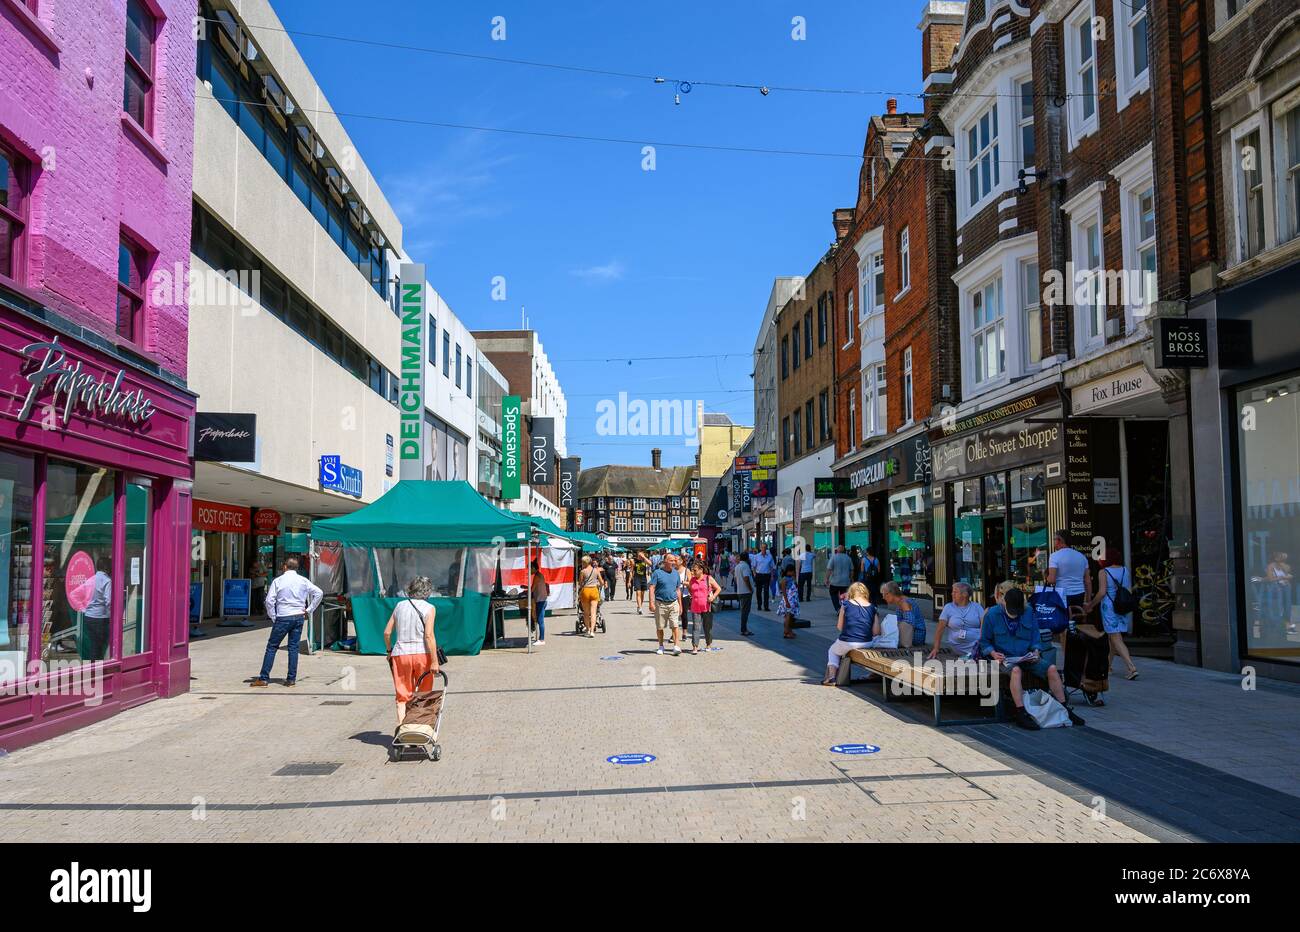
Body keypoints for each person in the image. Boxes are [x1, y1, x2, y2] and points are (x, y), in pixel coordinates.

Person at [978, 587, 1085, 730]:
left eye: (1017, 612)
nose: (1014, 615)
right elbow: (984, 642)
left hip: (1026, 656)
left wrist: (1036, 651)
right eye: (1011, 612)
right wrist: (993, 654)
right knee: (1016, 671)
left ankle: (1064, 708)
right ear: (1004, 602)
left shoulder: (1029, 612)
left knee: (1052, 669)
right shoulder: (992, 614)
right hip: (1004, 658)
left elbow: (1035, 637)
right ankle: (1021, 712)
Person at [251, 558, 323, 687]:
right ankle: (291, 679)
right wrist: (309, 610)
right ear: (297, 567)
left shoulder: (278, 581)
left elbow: (269, 601)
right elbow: (319, 593)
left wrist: (273, 616)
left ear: (285, 567)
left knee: (272, 647)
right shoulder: (303, 580)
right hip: (298, 616)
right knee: (293, 648)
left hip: (283, 616)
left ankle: (263, 678)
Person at [382, 575, 439, 730]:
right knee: (424, 693)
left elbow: (387, 633)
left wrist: (389, 650)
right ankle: (421, 729)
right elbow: (429, 636)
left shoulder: (399, 606)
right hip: (422, 655)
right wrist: (434, 661)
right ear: (428, 592)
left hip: (400, 654)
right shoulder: (429, 608)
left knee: (402, 696)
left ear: (410, 589)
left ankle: (402, 729)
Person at [1086, 547, 1138, 680]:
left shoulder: (1104, 572)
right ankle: (1108, 666)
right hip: (1122, 606)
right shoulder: (1125, 570)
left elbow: (1102, 592)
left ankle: (1131, 667)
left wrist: (1091, 605)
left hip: (1109, 608)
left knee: (1115, 638)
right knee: (1112, 637)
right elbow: (1128, 589)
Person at [822, 583, 877, 685]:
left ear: (851, 592)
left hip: (848, 642)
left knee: (832, 651)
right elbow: (876, 632)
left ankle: (832, 677)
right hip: (867, 643)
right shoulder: (873, 607)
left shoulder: (846, 605)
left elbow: (840, 627)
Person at [1046, 530, 1092, 621]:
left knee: (1061, 623)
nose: (1053, 542)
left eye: (1054, 539)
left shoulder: (1054, 556)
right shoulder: (1082, 557)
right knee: (1076, 622)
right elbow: (1087, 581)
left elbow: (1051, 580)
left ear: (1059, 540)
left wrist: (1046, 576)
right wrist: (1088, 601)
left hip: (1061, 594)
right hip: (1079, 594)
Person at [930, 581, 984, 660]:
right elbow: (940, 628)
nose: (952, 594)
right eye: (953, 592)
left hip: (977, 643)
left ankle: (975, 654)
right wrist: (936, 648)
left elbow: (984, 626)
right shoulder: (948, 607)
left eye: (955, 592)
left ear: (965, 594)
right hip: (957, 646)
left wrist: (983, 642)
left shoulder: (977, 607)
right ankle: (974, 654)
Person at [648, 554, 684, 656]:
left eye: (674, 561)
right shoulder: (657, 573)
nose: (673, 562)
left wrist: (680, 605)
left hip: (673, 603)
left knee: (675, 625)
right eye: (671, 560)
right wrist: (651, 603)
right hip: (660, 603)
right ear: (665, 561)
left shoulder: (676, 573)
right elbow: (652, 588)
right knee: (660, 627)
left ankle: (676, 646)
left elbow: (678, 590)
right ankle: (661, 646)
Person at [81, 555, 113, 661]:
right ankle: (96, 668)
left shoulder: (90, 580)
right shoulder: (107, 580)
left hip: (89, 616)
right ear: (107, 567)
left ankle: (94, 667)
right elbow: (109, 601)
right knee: (98, 646)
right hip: (100, 617)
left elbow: (83, 596)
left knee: (94, 644)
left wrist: (85, 609)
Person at [687, 560, 722, 654]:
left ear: (701, 570)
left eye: (695, 570)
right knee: (696, 627)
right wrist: (692, 596)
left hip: (707, 607)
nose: (693, 572)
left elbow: (718, 588)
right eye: (692, 570)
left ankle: (708, 644)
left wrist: (713, 597)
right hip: (695, 607)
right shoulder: (692, 580)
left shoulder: (708, 578)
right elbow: (690, 589)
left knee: (707, 627)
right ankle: (695, 647)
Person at [880, 580, 926, 648]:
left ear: (890, 593)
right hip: (912, 635)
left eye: (884, 594)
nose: (883, 597)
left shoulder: (904, 603)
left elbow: (909, 623)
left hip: (915, 637)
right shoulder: (901, 601)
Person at [1265, 551, 1295, 632]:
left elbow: (1289, 575)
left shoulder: (1285, 566)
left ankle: (1287, 623)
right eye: (1281, 557)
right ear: (1276, 558)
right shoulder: (1270, 566)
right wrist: (1281, 577)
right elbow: (1270, 579)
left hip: (1286, 586)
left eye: (1283, 557)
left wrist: (1283, 573)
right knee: (1279, 605)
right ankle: (1280, 624)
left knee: (1287, 605)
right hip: (1276, 587)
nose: (1283, 559)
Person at [577, 555, 603, 638]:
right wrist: (597, 584)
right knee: (593, 612)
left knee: (586, 613)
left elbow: (580, 583)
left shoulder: (582, 571)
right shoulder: (596, 570)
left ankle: (588, 630)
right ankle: (592, 631)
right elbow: (601, 582)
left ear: (585, 563)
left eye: (582, 562)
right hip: (594, 590)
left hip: (586, 591)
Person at [733, 551, 756, 636]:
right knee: (745, 611)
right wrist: (750, 589)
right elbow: (746, 578)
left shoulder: (737, 566)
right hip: (746, 591)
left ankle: (744, 628)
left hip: (740, 591)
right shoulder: (745, 566)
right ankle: (744, 629)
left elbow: (735, 579)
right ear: (747, 558)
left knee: (743, 610)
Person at [826, 545, 854, 610]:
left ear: (837, 550)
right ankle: (844, 608)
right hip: (845, 581)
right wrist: (851, 578)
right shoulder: (848, 558)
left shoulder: (833, 557)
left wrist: (827, 579)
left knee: (833, 594)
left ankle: (838, 608)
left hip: (835, 581)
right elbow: (852, 570)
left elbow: (829, 569)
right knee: (844, 596)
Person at [529, 559, 550, 646]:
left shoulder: (537, 576)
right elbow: (534, 587)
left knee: (540, 620)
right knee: (540, 620)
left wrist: (526, 590)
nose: (529, 570)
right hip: (542, 599)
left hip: (541, 600)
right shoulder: (539, 575)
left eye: (530, 568)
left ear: (534, 568)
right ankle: (541, 638)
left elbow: (532, 589)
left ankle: (542, 639)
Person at [778, 563, 800, 639]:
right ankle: (786, 632)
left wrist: (794, 579)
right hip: (788, 600)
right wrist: (787, 602)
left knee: (790, 617)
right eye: (793, 571)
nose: (794, 573)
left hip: (793, 600)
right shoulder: (784, 579)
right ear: (789, 571)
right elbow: (783, 592)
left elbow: (796, 586)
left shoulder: (792, 578)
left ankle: (789, 630)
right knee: (788, 616)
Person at [752, 544, 775, 611]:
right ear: (760, 548)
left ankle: (766, 606)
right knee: (758, 591)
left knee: (766, 591)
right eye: (762, 547)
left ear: (766, 548)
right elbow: (753, 566)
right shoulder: (756, 556)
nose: (763, 549)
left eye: (765, 547)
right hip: (759, 575)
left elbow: (772, 567)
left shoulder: (770, 556)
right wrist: (754, 574)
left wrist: (772, 576)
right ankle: (759, 605)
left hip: (766, 575)